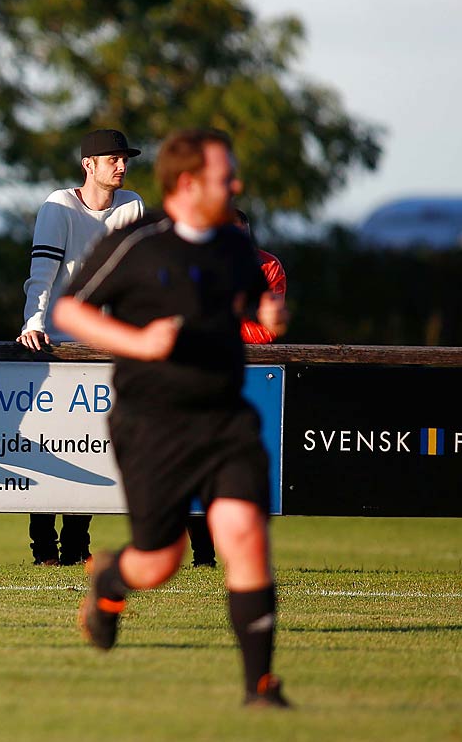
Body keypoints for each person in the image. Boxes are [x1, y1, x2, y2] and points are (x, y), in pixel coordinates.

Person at [53, 128, 292, 708]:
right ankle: (111, 581)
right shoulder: (139, 241)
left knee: (244, 535)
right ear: (187, 183)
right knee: (161, 562)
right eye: (223, 176)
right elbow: (69, 310)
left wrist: (271, 315)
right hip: (153, 421)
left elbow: (256, 308)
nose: (235, 185)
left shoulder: (235, 246)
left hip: (225, 417)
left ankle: (260, 687)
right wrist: (138, 343)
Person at [17, 128, 145, 566]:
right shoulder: (59, 205)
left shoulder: (132, 205)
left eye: (125, 159)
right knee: (50, 440)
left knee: (90, 440)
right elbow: (42, 272)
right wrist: (32, 322)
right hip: (55, 343)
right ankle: (43, 548)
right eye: (113, 159)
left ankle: (77, 544)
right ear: (88, 165)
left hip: (105, 344)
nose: (122, 166)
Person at [185, 208, 290, 568]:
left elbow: (268, 332)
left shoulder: (267, 267)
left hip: (249, 380)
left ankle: (239, 553)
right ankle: (203, 556)